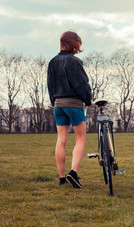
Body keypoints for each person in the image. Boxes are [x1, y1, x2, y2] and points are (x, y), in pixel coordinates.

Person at [47, 31, 92, 189]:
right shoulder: (74, 62)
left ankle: (61, 178)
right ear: (73, 43)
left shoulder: (52, 62)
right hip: (74, 104)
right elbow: (82, 84)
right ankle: (73, 173)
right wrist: (88, 100)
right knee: (80, 139)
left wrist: (55, 103)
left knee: (61, 140)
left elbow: (50, 86)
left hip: (58, 104)